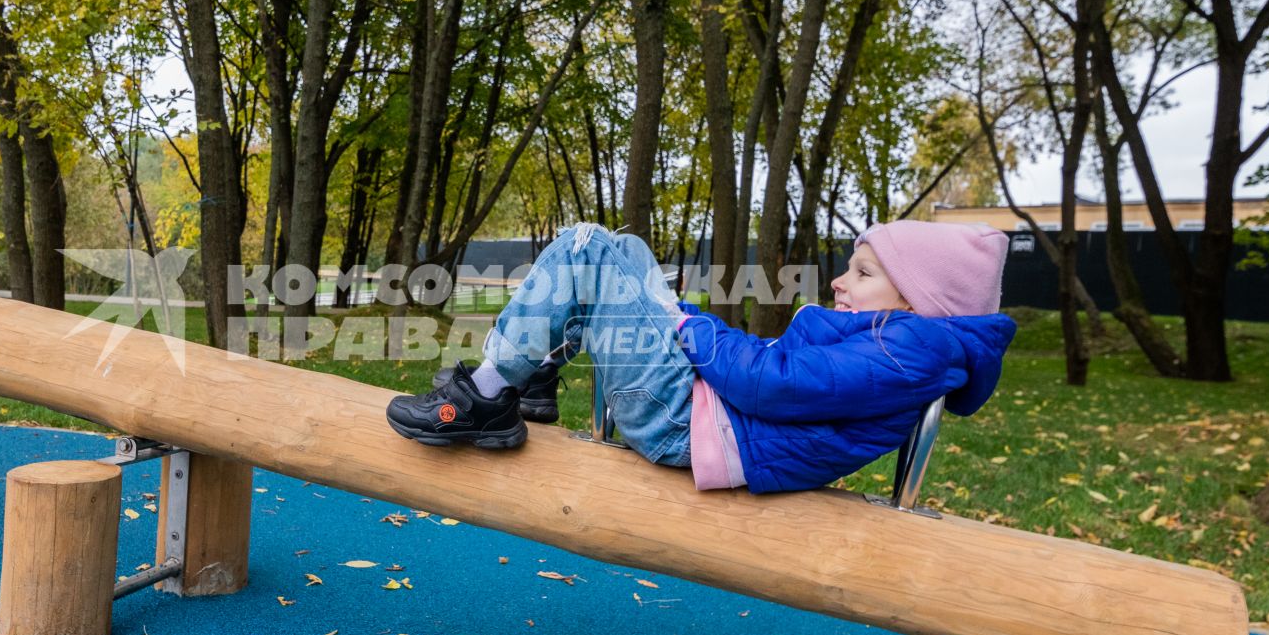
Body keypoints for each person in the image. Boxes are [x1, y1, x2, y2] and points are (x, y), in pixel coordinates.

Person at [386, 220, 1017, 495]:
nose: (839, 283)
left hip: (689, 425)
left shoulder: (910, 349)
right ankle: (532, 381)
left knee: (586, 249)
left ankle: (489, 396)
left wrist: (695, 329)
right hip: (703, 411)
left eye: (862, 272)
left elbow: (776, 385)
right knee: (622, 247)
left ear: (918, 298)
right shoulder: (907, 341)